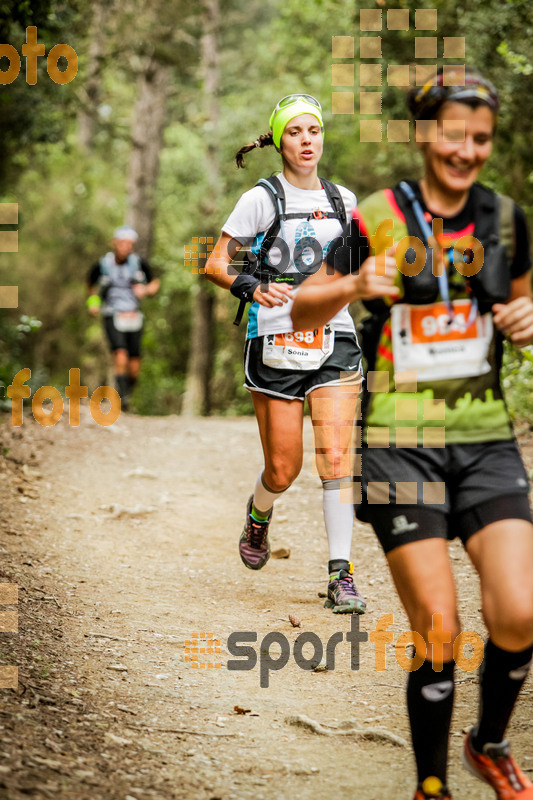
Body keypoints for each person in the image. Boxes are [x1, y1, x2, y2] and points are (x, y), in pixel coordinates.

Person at [292, 68, 533, 800]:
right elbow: (303, 311)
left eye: (482, 140)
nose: (467, 152)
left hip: (486, 439)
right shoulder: (375, 215)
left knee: (517, 612)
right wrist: (352, 286)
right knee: (437, 625)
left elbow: (525, 311)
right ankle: (430, 785)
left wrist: (528, 323)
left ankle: (487, 742)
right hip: (399, 441)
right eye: (454, 136)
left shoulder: (504, 218)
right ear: (426, 133)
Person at [204, 94, 366, 613]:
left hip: (335, 336)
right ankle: (259, 513)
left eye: (313, 131)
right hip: (273, 336)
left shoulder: (344, 199)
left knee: (337, 459)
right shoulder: (261, 198)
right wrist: (251, 287)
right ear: (280, 140)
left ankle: (341, 575)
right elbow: (214, 263)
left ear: (322, 137)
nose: (306, 141)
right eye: (294, 132)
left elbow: (358, 268)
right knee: (283, 469)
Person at [87, 226, 160, 409]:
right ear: (115, 243)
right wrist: (93, 303)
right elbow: (91, 285)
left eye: (130, 244)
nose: (126, 247)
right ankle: (122, 397)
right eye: (122, 243)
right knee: (120, 354)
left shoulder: (138, 264)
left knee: (134, 363)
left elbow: (154, 283)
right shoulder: (103, 265)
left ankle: (128, 393)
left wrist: (145, 290)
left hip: (134, 315)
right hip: (112, 314)